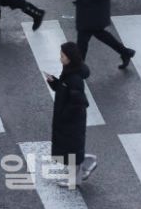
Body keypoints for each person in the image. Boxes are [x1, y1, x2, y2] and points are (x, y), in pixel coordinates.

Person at [46, 42, 97, 188]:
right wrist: (54, 82)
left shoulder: (74, 78)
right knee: (70, 149)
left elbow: (80, 102)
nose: (60, 58)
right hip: (68, 120)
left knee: (72, 151)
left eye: (62, 56)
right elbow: (65, 91)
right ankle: (88, 163)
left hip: (71, 121)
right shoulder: (69, 71)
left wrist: (65, 115)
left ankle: (75, 180)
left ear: (70, 58)